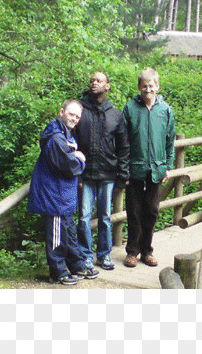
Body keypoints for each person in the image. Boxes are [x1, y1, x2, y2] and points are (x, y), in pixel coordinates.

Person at [27, 100, 99, 285]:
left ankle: (77, 265)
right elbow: (70, 166)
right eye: (71, 114)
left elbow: (69, 156)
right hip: (54, 196)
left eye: (77, 116)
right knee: (57, 237)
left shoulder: (66, 133)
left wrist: (74, 154)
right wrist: (80, 159)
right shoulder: (55, 137)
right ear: (61, 112)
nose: (74, 119)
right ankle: (58, 271)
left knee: (69, 233)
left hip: (64, 195)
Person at [74, 72, 130, 271]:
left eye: (99, 80)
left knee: (105, 217)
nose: (94, 83)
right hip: (85, 174)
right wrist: (75, 171)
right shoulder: (80, 110)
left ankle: (104, 254)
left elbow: (124, 147)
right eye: (92, 80)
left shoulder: (115, 114)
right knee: (84, 216)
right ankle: (85, 255)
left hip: (108, 174)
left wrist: (123, 174)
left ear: (107, 86)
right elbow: (71, 142)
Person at [121, 67, 176, 268]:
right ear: (139, 87)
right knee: (134, 211)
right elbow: (123, 141)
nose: (147, 90)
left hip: (157, 169)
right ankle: (132, 252)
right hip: (134, 169)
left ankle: (147, 250)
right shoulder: (130, 108)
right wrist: (123, 169)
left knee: (152, 210)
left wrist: (168, 166)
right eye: (144, 86)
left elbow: (170, 140)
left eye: (151, 86)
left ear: (157, 86)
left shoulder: (165, 110)